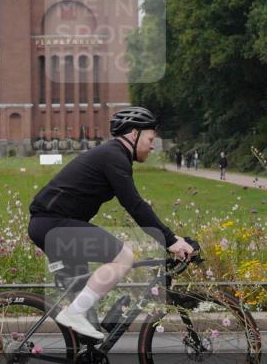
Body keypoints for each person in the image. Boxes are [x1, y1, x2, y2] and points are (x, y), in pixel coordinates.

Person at [28, 106, 194, 340]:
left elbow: (135, 205)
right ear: (134, 135)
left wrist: (170, 238)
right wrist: (170, 240)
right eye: (150, 138)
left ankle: (83, 360)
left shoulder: (113, 155)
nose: (153, 145)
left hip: (52, 225)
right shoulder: (114, 156)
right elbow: (135, 205)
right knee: (124, 257)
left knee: (89, 305)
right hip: (53, 224)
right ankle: (74, 314)